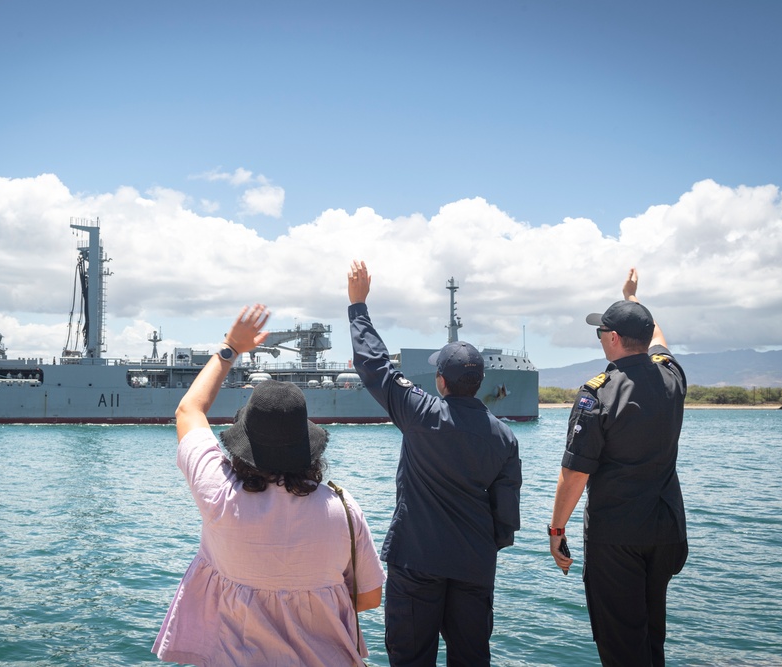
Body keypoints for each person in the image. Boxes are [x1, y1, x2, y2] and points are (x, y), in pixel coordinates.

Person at [153, 304, 385, 667]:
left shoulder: (219, 495)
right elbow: (370, 597)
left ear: (243, 445)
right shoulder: (343, 508)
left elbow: (189, 411)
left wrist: (230, 347)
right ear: (307, 446)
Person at [346, 261, 522, 667]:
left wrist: (358, 306)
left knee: (410, 657)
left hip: (417, 561)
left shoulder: (420, 414)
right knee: (471, 658)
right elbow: (506, 517)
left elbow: (374, 366)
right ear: (478, 381)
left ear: (441, 381)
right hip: (474, 566)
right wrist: (476, 547)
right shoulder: (505, 438)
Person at [548, 268, 689, 667]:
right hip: (666, 533)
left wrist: (557, 531)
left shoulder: (598, 393)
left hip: (617, 539)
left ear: (611, 338)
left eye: (601, 332)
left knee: (622, 649)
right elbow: (658, 337)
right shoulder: (672, 376)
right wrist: (631, 298)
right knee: (650, 639)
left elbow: (575, 474)